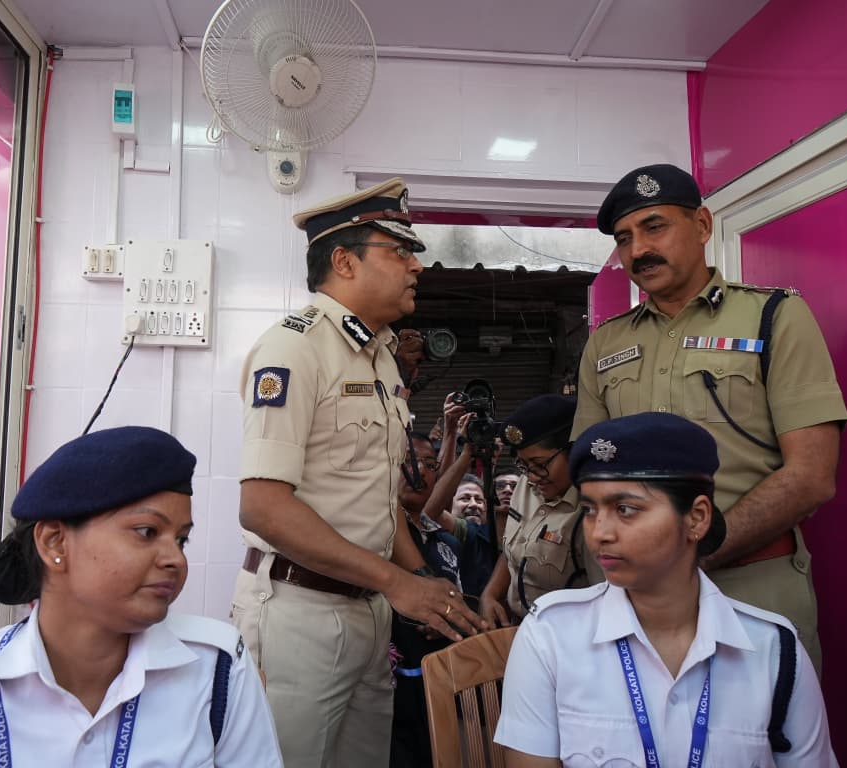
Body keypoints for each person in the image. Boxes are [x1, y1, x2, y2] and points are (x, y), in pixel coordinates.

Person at [231, 178, 485, 768]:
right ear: (344, 261)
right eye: (399, 251)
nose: (415, 265)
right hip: (299, 612)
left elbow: (378, 500)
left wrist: (424, 580)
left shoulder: (379, 356)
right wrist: (401, 585)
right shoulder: (294, 349)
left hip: (369, 610)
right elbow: (263, 507)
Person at [573, 163, 847, 670]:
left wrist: (692, 554)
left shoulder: (774, 318)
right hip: (635, 597)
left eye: (654, 226)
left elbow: (811, 476)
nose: (637, 250)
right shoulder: (605, 343)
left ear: (701, 225)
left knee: (762, 744)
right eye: (624, 238)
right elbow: (590, 472)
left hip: (752, 587)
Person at [0, 427, 283, 767]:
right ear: (55, 542)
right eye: (146, 532)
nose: (175, 559)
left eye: (181, 539)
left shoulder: (219, 671)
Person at [495, 413, 839, 767]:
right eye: (589, 510)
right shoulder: (550, 636)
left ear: (697, 518)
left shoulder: (774, 651)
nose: (599, 533)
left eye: (626, 509)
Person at [479, 395, 604, 628]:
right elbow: (514, 549)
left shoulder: (594, 512)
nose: (532, 476)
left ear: (574, 451)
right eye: (524, 465)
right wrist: (490, 594)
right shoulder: (528, 485)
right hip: (519, 628)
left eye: (540, 465)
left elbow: (606, 599)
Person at [390, 432, 463, 768]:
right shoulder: (378, 534)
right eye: (409, 461)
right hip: (395, 688)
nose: (419, 473)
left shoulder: (445, 540)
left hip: (446, 682)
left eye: (431, 465)